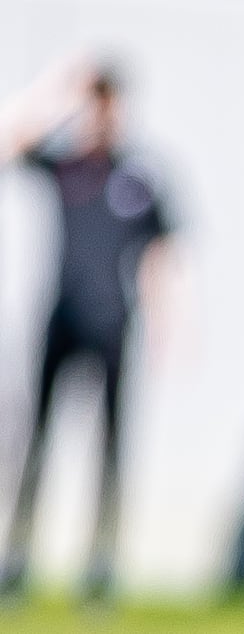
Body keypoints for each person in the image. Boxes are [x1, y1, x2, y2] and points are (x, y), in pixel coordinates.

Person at [0, 62, 175, 605]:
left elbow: (159, 253)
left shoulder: (138, 178)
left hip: (113, 326)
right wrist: (58, 94)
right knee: (37, 443)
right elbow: (10, 142)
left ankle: (100, 567)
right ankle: (18, 559)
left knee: (110, 448)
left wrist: (167, 324)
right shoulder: (64, 166)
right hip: (63, 320)